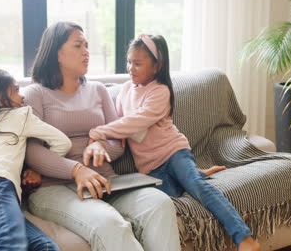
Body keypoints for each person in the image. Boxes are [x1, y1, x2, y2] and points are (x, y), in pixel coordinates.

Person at [88, 34, 261, 251]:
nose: (131, 68)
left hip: (174, 152)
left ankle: (244, 238)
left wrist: (98, 133)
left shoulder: (160, 91)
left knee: (198, 188)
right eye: (129, 62)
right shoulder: (124, 91)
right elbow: (121, 126)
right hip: (150, 167)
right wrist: (106, 142)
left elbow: (135, 122)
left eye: (138, 63)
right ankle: (195, 173)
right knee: (167, 197)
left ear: (156, 66)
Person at [22, 22, 180, 251]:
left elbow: (119, 141)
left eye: (87, 45)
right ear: (56, 53)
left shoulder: (98, 90)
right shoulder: (35, 94)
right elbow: (32, 151)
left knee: (159, 203)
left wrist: (99, 145)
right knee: (109, 223)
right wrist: (77, 170)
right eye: (78, 46)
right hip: (54, 188)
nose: (86, 52)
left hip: (107, 181)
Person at [0, 68, 71, 251]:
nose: (22, 96)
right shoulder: (20, 116)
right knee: (11, 246)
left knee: (46, 246)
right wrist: (39, 170)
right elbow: (62, 142)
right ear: (0, 98)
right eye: (16, 90)